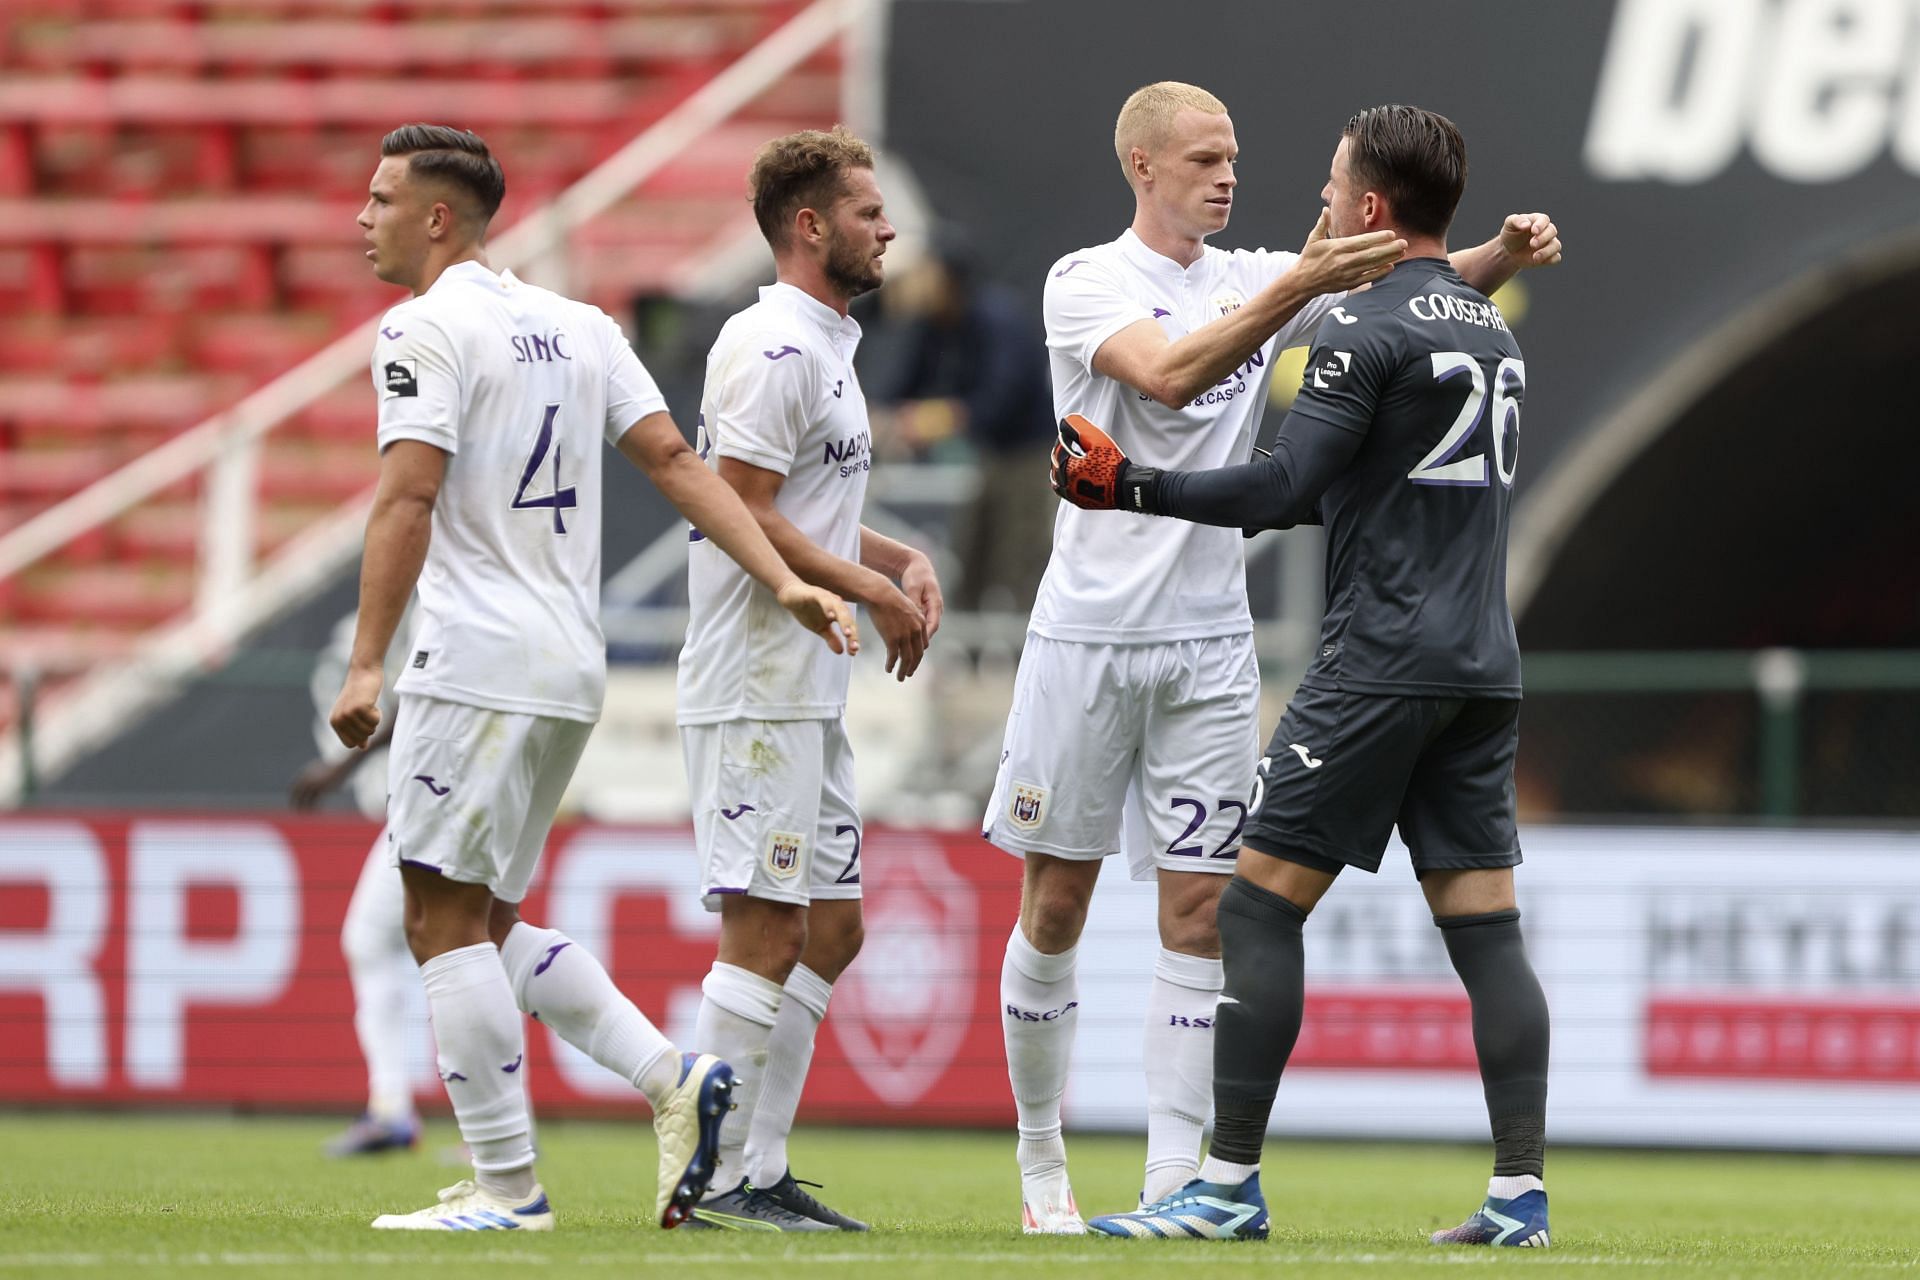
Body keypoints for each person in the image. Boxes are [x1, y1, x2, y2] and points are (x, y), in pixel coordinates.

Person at [983, 80, 1561, 1234]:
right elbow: (1167, 373)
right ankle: (1042, 1158)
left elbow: (1403, 314)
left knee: (1208, 910)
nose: (1229, 174)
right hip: (1089, 632)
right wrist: (1319, 277)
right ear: (1140, 165)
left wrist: (1481, 249)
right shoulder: (1086, 279)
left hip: (1211, 642)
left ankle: (1178, 1178)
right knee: (1056, 900)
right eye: (1202, 158)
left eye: (1236, 155)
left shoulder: (1267, 274)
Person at [329, 122, 857, 1233]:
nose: (360, 219)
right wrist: (787, 578)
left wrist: (368, 656)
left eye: (380, 200)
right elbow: (677, 464)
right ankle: (676, 1077)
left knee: (436, 921)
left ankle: (508, 1186)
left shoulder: (420, 329)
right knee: (493, 915)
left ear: (438, 217)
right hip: (571, 661)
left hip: (471, 656)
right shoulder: (580, 326)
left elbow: (407, 500)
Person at [676, 125, 943, 1232]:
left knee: (831, 931)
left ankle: (761, 1163)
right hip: (757, 681)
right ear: (809, 224)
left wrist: (893, 557)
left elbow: (808, 502)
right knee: (768, 928)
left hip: (808, 684)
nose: (889, 227)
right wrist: (867, 590)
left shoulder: (826, 341)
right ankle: (707, 1174)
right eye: (871, 211)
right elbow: (743, 506)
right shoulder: (771, 346)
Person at [292, 604, 424, 1157]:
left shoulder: (450, 567)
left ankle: (396, 1110)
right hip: (476, 776)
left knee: (472, 945)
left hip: (437, 787)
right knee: (479, 942)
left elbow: (421, 696)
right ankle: (401, 1110)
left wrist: (338, 767)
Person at [873, 228, 1055, 611]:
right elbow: (904, 385)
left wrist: (934, 420)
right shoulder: (934, 323)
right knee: (973, 556)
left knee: (1019, 558)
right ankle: (965, 656)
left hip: (1029, 456)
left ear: (948, 275)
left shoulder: (996, 318)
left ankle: (1016, 656)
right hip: (990, 457)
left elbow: (1000, 399)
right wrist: (880, 419)